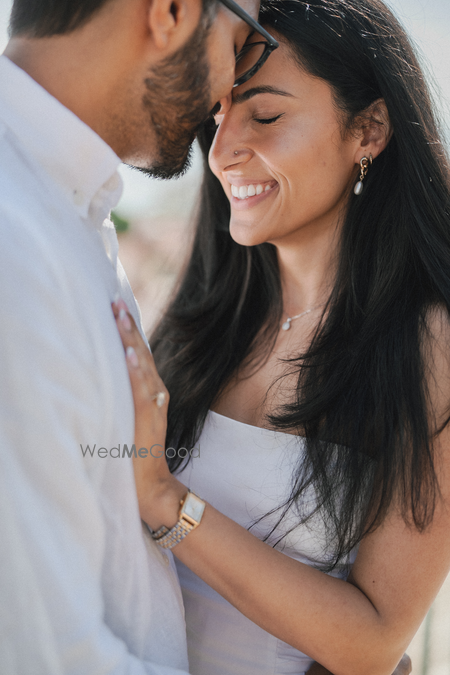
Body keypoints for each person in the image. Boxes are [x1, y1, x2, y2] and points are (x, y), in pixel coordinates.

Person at [113, 0, 450, 674]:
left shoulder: (426, 342)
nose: (223, 153)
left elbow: (374, 641)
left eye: (265, 116)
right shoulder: (202, 316)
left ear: (370, 129)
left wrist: (167, 500)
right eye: (217, 118)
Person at [0, 0, 277, 671]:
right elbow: (46, 656)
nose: (227, 94)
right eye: (242, 43)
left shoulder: (63, 210)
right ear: (171, 12)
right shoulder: (15, 245)